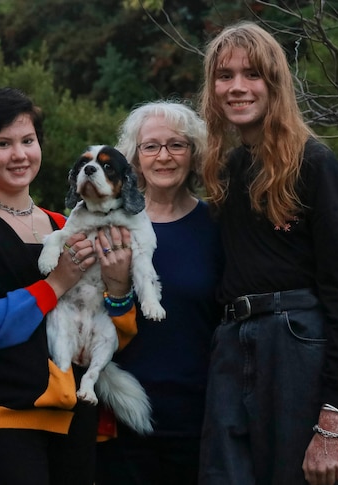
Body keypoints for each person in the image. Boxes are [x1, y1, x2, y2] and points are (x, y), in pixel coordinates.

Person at [196, 21, 338, 485]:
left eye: (252, 74)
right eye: (225, 75)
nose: (237, 87)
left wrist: (334, 417)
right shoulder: (229, 170)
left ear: (274, 84)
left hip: (299, 349)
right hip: (231, 346)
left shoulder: (313, 164)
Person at [0, 87, 137, 485]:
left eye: (28, 141)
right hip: (2, 416)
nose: (19, 154)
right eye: (2, 143)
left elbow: (106, 332)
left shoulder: (63, 226)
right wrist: (56, 282)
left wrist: (119, 291)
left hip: (71, 419)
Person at [94, 100, 222, 485]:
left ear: (194, 154)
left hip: (200, 419)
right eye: (151, 146)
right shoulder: (107, 224)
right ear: (134, 158)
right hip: (121, 418)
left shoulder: (219, 225)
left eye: (177, 145)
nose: (163, 156)